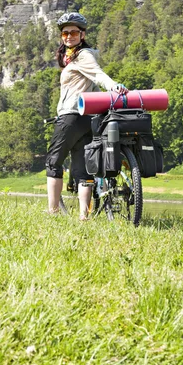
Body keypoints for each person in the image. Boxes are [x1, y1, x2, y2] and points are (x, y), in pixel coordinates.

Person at [46, 12, 128, 219]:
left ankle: (53, 212)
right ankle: (84, 217)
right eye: (65, 33)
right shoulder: (73, 57)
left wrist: (114, 86)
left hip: (71, 116)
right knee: (82, 171)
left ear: (82, 34)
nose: (69, 36)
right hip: (87, 119)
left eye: (74, 32)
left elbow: (98, 74)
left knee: (53, 162)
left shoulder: (84, 55)